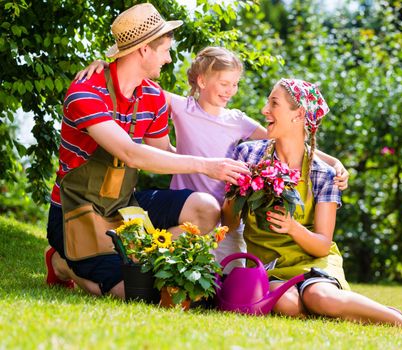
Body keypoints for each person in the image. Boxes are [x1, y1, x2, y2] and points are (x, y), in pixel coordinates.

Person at [222, 78, 402, 332]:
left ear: (299, 114)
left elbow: (322, 244)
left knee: (320, 297)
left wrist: (292, 228)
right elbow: (230, 222)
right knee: (287, 305)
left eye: (273, 103)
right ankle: (342, 312)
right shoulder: (249, 156)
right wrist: (235, 196)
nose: (264, 110)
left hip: (313, 260)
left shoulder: (322, 173)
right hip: (269, 265)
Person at [75, 47, 349, 267]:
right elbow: (136, 77)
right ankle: (132, 256)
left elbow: (287, 137)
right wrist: (101, 65)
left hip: (227, 221)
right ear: (202, 80)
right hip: (185, 214)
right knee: (174, 271)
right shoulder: (182, 107)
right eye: (224, 83)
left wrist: (332, 162)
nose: (230, 90)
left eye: (235, 84)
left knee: (227, 284)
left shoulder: (238, 121)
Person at [45, 3, 250, 299]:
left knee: (206, 209)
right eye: (165, 49)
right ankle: (62, 263)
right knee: (135, 293)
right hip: (75, 211)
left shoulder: (152, 96)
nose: (168, 59)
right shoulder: (86, 93)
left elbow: (162, 153)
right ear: (143, 50)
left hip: (124, 205)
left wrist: (216, 168)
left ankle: (140, 256)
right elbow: (130, 153)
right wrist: (205, 165)